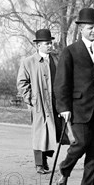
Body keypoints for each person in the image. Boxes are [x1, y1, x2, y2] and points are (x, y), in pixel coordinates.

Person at [54, 8, 94, 185]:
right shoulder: (70, 52)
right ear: (81, 29)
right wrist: (63, 108)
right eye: (89, 28)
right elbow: (61, 82)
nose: (93, 30)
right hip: (78, 108)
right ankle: (64, 169)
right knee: (80, 144)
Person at [16, 29, 63, 174]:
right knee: (39, 133)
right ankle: (39, 164)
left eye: (51, 43)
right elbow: (22, 83)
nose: (50, 46)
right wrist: (31, 99)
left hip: (54, 102)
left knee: (53, 131)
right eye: (47, 43)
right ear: (38, 46)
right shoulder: (28, 62)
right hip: (39, 104)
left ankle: (45, 157)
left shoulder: (56, 60)